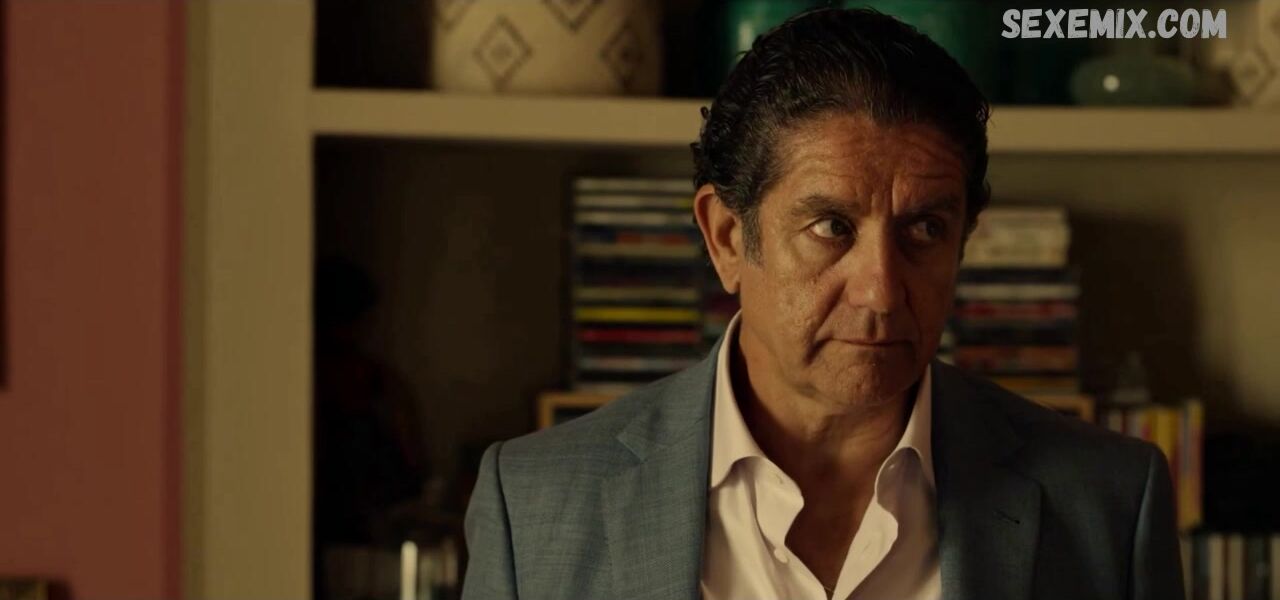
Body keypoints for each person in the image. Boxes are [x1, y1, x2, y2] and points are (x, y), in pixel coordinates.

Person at [462, 8, 1183, 600]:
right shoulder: (534, 504)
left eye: (925, 230)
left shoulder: (1109, 502)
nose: (881, 290)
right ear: (726, 239)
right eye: (832, 227)